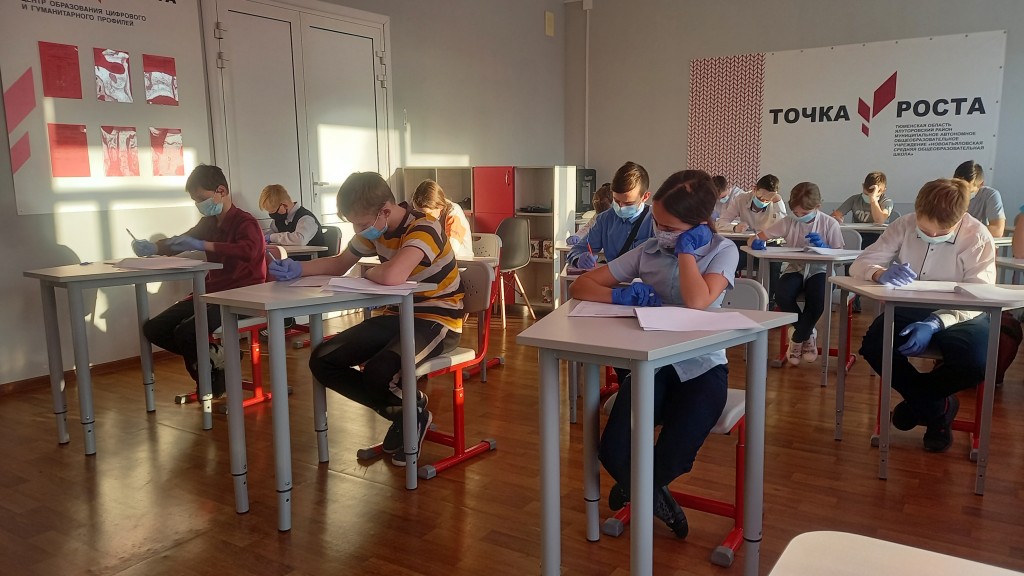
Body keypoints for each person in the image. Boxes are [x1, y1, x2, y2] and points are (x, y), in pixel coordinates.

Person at [569, 169, 738, 539]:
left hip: (702, 368)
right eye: (657, 223)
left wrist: (686, 253)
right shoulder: (648, 250)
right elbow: (581, 286)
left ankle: (636, 489)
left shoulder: (723, 250)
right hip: (653, 367)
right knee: (613, 451)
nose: (659, 232)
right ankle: (652, 495)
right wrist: (618, 295)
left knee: (675, 455)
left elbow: (697, 301)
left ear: (698, 225)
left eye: (668, 227)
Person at [266, 172, 464, 466]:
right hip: (397, 314)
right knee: (323, 360)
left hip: (438, 319)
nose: (358, 230)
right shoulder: (376, 227)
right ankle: (407, 412)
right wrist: (296, 268)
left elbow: (392, 275)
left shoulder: (424, 227)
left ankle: (407, 414)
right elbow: (339, 263)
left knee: (379, 370)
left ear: (385, 210)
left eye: (360, 224)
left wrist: (368, 272)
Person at [851, 178, 995, 453]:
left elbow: (980, 295)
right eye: (924, 228)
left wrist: (935, 322)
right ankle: (938, 408)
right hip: (911, 305)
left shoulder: (977, 236)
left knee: (976, 363)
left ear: (960, 219)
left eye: (941, 232)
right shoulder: (903, 224)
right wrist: (879, 273)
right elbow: (861, 263)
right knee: (874, 346)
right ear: (917, 211)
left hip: (963, 312)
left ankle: (919, 404)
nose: (932, 234)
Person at [133, 164, 266, 398]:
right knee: (154, 328)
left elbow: (248, 251)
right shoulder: (209, 223)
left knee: (187, 332)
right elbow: (182, 240)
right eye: (195, 201)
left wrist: (204, 245)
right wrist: (155, 247)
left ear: (221, 191)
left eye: (202, 199)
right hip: (212, 293)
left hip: (242, 296)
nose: (199, 205)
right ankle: (218, 357)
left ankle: (211, 382)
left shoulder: (245, 222)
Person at [750, 182, 844, 365]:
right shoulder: (788, 221)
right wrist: (755, 242)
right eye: (796, 212)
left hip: (821, 269)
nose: (799, 216)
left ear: (817, 207)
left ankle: (797, 338)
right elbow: (758, 237)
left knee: (819, 297)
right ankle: (807, 333)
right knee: (782, 295)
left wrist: (825, 248)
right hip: (796, 267)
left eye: (804, 213)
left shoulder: (829, 223)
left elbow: (840, 255)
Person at [566, 162, 654, 268]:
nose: (621, 207)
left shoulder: (656, 220)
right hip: (614, 277)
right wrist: (578, 258)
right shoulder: (605, 220)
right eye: (616, 201)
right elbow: (577, 250)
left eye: (628, 203)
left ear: (645, 197)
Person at [410, 179, 474, 260]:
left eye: (428, 213)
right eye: (418, 213)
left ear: (440, 207)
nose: (423, 217)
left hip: (461, 263)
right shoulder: (426, 215)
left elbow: (451, 250)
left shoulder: (454, 213)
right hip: (439, 261)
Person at [831, 171, 892, 249]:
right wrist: (836, 218)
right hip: (858, 235)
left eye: (873, 193)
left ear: (883, 190)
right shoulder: (855, 199)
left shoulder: (887, 201)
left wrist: (873, 199)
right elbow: (834, 216)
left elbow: (880, 221)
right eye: (866, 194)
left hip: (878, 236)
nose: (869, 196)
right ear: (863, 186)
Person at [258, 184, 325, 252]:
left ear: (285, 205)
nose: (271, 214)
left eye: (273, 211)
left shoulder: (306, 219)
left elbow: (300, 240)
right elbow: (272, 233)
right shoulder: (279, 220)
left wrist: (272, 237)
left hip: (313, 257)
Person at [714, 174, 787, 234]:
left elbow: (783, 228)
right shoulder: (741, 199)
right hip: (745, 239)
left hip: (767, 240)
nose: (763, 201)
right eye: (760, 197)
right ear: (754, 189)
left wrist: (778, 201)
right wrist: (735, 228)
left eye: (767, 200)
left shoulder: (776, 202)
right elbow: (720, 223)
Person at [954, 160, 1005, 237]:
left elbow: (997, 230)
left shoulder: (990, 195)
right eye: (959, 188)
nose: (963, 193)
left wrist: (962, 230)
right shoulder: (947, 193)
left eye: (969, 191)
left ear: (981, 184)